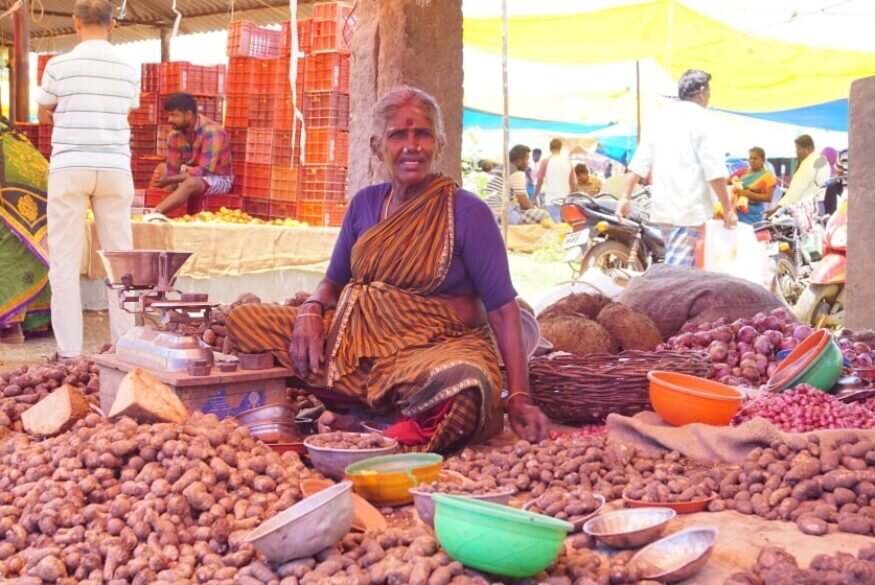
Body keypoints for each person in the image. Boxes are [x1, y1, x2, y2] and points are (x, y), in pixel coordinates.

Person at [226, 86, 549, 453]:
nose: (412, 146)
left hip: (432, 353)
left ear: (438, 143)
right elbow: (333, 282)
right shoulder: (364, 204)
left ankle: (371, 423)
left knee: (467, 387)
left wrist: (519, 396)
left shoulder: (466, 212)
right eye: (398, 135)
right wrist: (311, 310)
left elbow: (504, 311)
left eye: (422, 134)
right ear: (376, 146)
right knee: (245, 322)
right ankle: (374, 412)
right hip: (355, 350)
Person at [36, 0, 138, 359]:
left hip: (70, 167)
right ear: (112, 25)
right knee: (121, 263)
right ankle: (124, 348)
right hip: (114, 167)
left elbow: (43, 110)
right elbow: (124, 111)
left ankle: (69, 352)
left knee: (64, 262)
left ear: (76, 22)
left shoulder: (58, 66)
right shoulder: (129, 67)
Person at [617, 70, 735, 266]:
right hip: (689, 210)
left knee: (684, 270)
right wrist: (728, 209)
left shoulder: (660, 120)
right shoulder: (703, 120)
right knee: (678, 276)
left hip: (664, 210)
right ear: (702, 92)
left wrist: (625, 197)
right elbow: (713, 170)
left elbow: (639, 164)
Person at [0, 119, 51, 344]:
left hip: (10, 198)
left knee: (8, 243)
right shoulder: (13, 135)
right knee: (26, 245)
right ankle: (37, 321)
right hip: (41, 198)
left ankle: (9, 327)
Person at [150, 93, 233, 215]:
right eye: (169, 115)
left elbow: (205, 171)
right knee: (160, 170)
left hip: (218, 178)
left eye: (174, 115)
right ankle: (147, 205)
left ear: (188, 114)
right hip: (190, 172)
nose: (170, 120)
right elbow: (172, 170)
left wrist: (169, 179)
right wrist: (163, 181)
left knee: (191, 183)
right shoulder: (174, 135)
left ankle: (154, 213)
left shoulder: (211, 131)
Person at [485, 144, 551, 225]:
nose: (528, 163)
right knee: (544, 215)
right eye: (527, 159)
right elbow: (525, 205)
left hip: (489, 212)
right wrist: (533, 210)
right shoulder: (514, 172)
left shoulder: (500, 168)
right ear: (519, 160)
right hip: (501, 214)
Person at [773, 135, 830, 214]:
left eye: (798, 148)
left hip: (805, 209)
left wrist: (778, 208)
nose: (796, 152)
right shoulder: (823, 161)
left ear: (809, 149)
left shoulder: (808, 162)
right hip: (819, 206)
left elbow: (796, 190)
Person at [727, 147, 777, 225]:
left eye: (755, 158)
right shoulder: (743, 172)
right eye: (750, 158)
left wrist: (747, 194)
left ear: (763, 160)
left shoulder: (767, 176)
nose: (752, 161)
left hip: (754, 214)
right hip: (738, 211)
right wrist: (736, 183)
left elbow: (768, 198)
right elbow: (727, 181)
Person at [534, 138, 576, 222]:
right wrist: (572, 198)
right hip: (565, 200)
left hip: (551, 200)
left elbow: (540, 181)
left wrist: (534, 197)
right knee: (565, 225)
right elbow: (573, 183)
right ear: (560, 148)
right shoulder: (568, 162)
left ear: (550, 148)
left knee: (555, 226)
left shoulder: (546, 161)